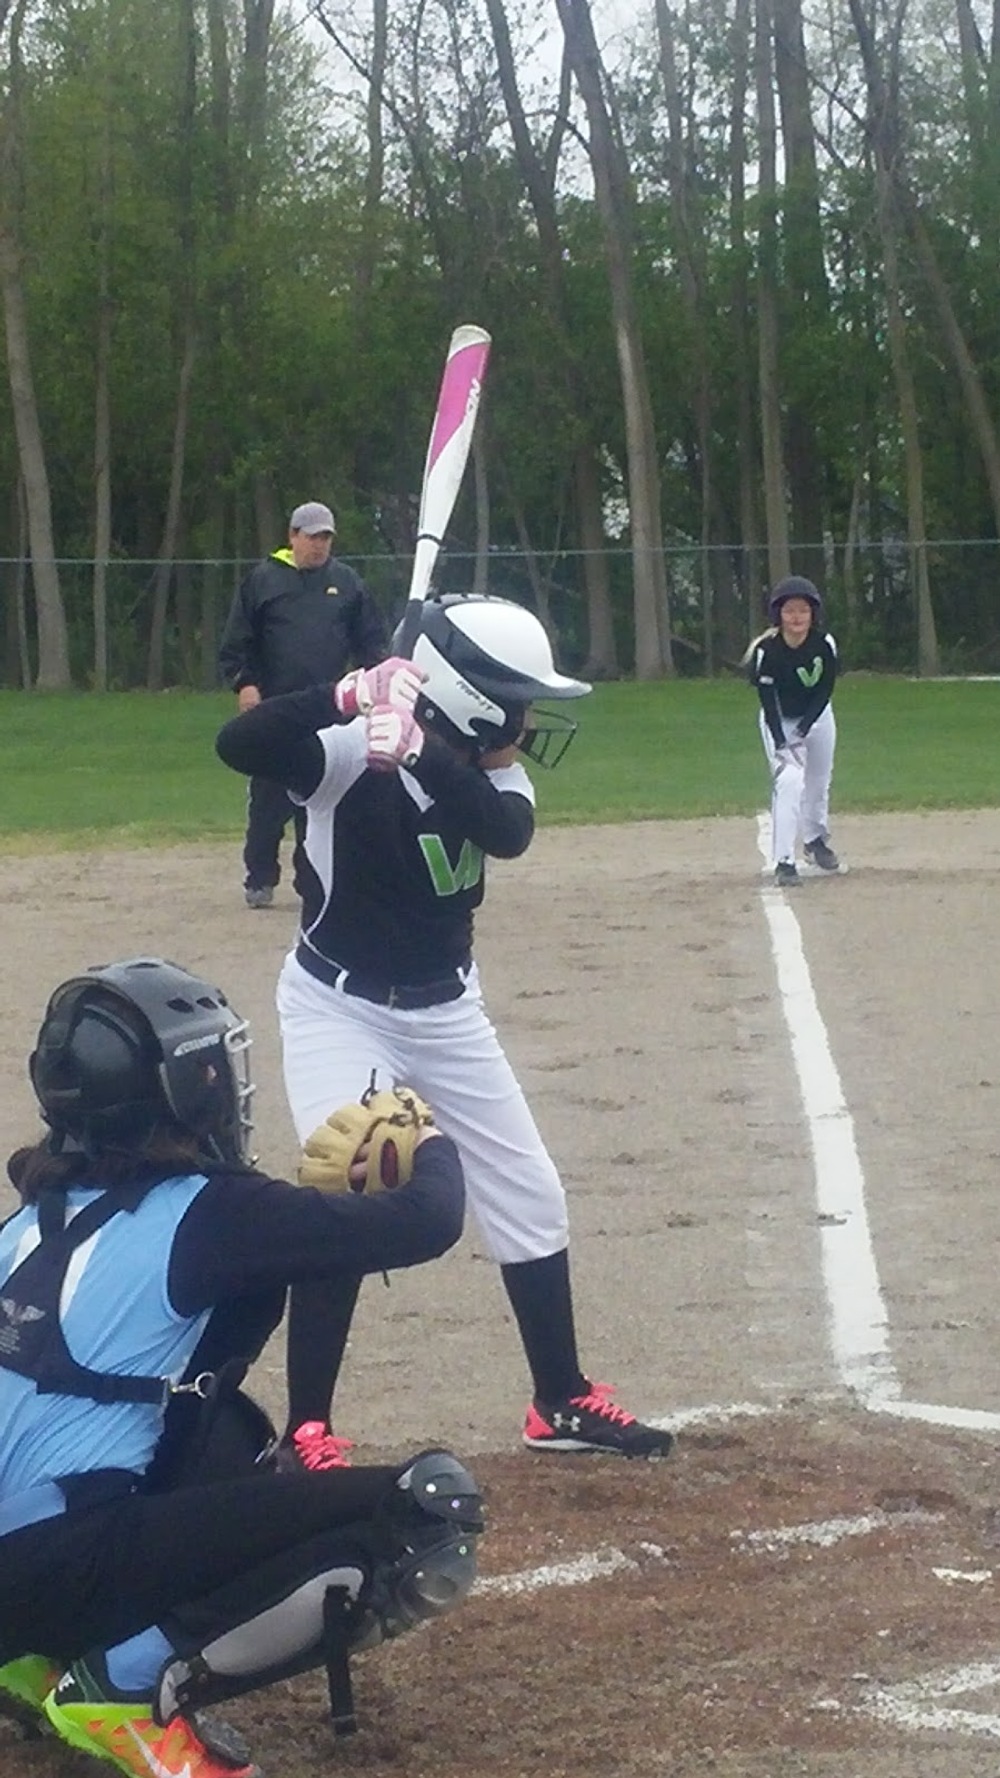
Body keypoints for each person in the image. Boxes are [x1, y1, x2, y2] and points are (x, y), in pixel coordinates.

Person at [216, 592, 676, 1465]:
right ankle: (305, 1430)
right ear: (470, 697)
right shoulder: (347, 755)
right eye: (516, 698)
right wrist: (348, 697)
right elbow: (238, 745)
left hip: (446, 1009)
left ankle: (560, 1401)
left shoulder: (495, 774)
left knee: (530, 1189)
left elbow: (504, 833)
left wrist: (420, 749)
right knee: (349, 1179)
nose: (529, 718)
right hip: (335, 1005)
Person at [0, 955, 482, 1778]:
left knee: (227, 1436)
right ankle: (124, 1683)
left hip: (27, 1564)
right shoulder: (211, 1210)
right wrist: (424, 1135)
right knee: (430, 1512)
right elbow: (428, 1221)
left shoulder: (30, 1214)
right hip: (54, 1564)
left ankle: (30, 1662)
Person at [218, 501, 389, 909]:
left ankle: (312, 881)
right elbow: (238, 641)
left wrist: (376, 682)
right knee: (268, 799)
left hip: (328, 710)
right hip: (275, 709)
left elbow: (369, 641)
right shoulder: (263, 581)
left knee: (320, 795)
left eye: (326, 538)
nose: (319, 545)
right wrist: (246, 684)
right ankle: (259, 877)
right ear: (292, 536)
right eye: (312, 537)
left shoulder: (346, 582)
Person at [745, 575, 841, 888]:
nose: (797, 617)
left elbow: (824, 689)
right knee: (789, 781)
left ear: (813, 614)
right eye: (789, 611)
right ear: (778, 615)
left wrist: (804, 728)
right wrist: (783, 741)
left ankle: (815, 840)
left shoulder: (824, 644)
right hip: (779, 721)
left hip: (817, 717)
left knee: (818, 780)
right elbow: (768, 701)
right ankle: (784, 861)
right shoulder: (767, 651)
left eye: (803, 610)